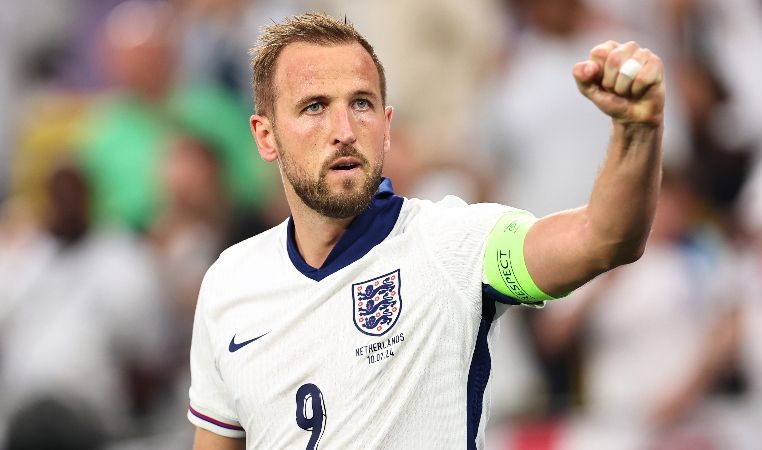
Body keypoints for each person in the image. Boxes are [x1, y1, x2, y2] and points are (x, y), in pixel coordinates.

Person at [187, 12, 665, 450]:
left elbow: (602, 238)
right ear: (265, 136)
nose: (345, 129)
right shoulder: (228, 285)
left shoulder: (450, 244)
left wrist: (636, 131)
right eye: (314, 107)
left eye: (361, 103)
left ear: (387, 126)